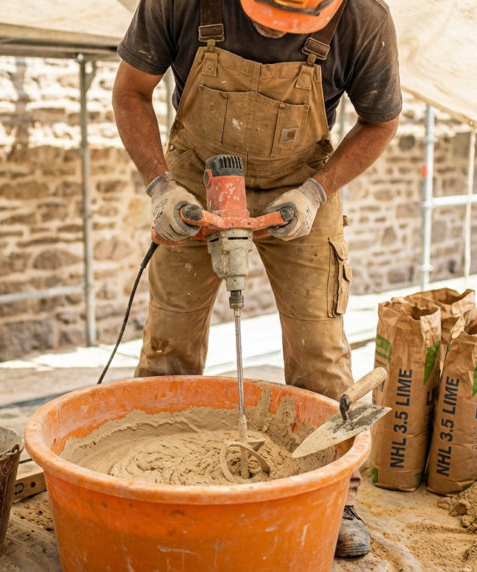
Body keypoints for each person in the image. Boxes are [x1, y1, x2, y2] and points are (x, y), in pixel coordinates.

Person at [112, 0, 401, 559]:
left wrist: (317, 192)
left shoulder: (364, 18)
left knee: (320, 350)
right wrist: (159, 187)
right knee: (168, 342)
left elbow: (381, 120)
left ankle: (336, 497)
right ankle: (147, 483)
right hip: (195, 176)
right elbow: (130, 91)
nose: (273, 29)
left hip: (302, 184)